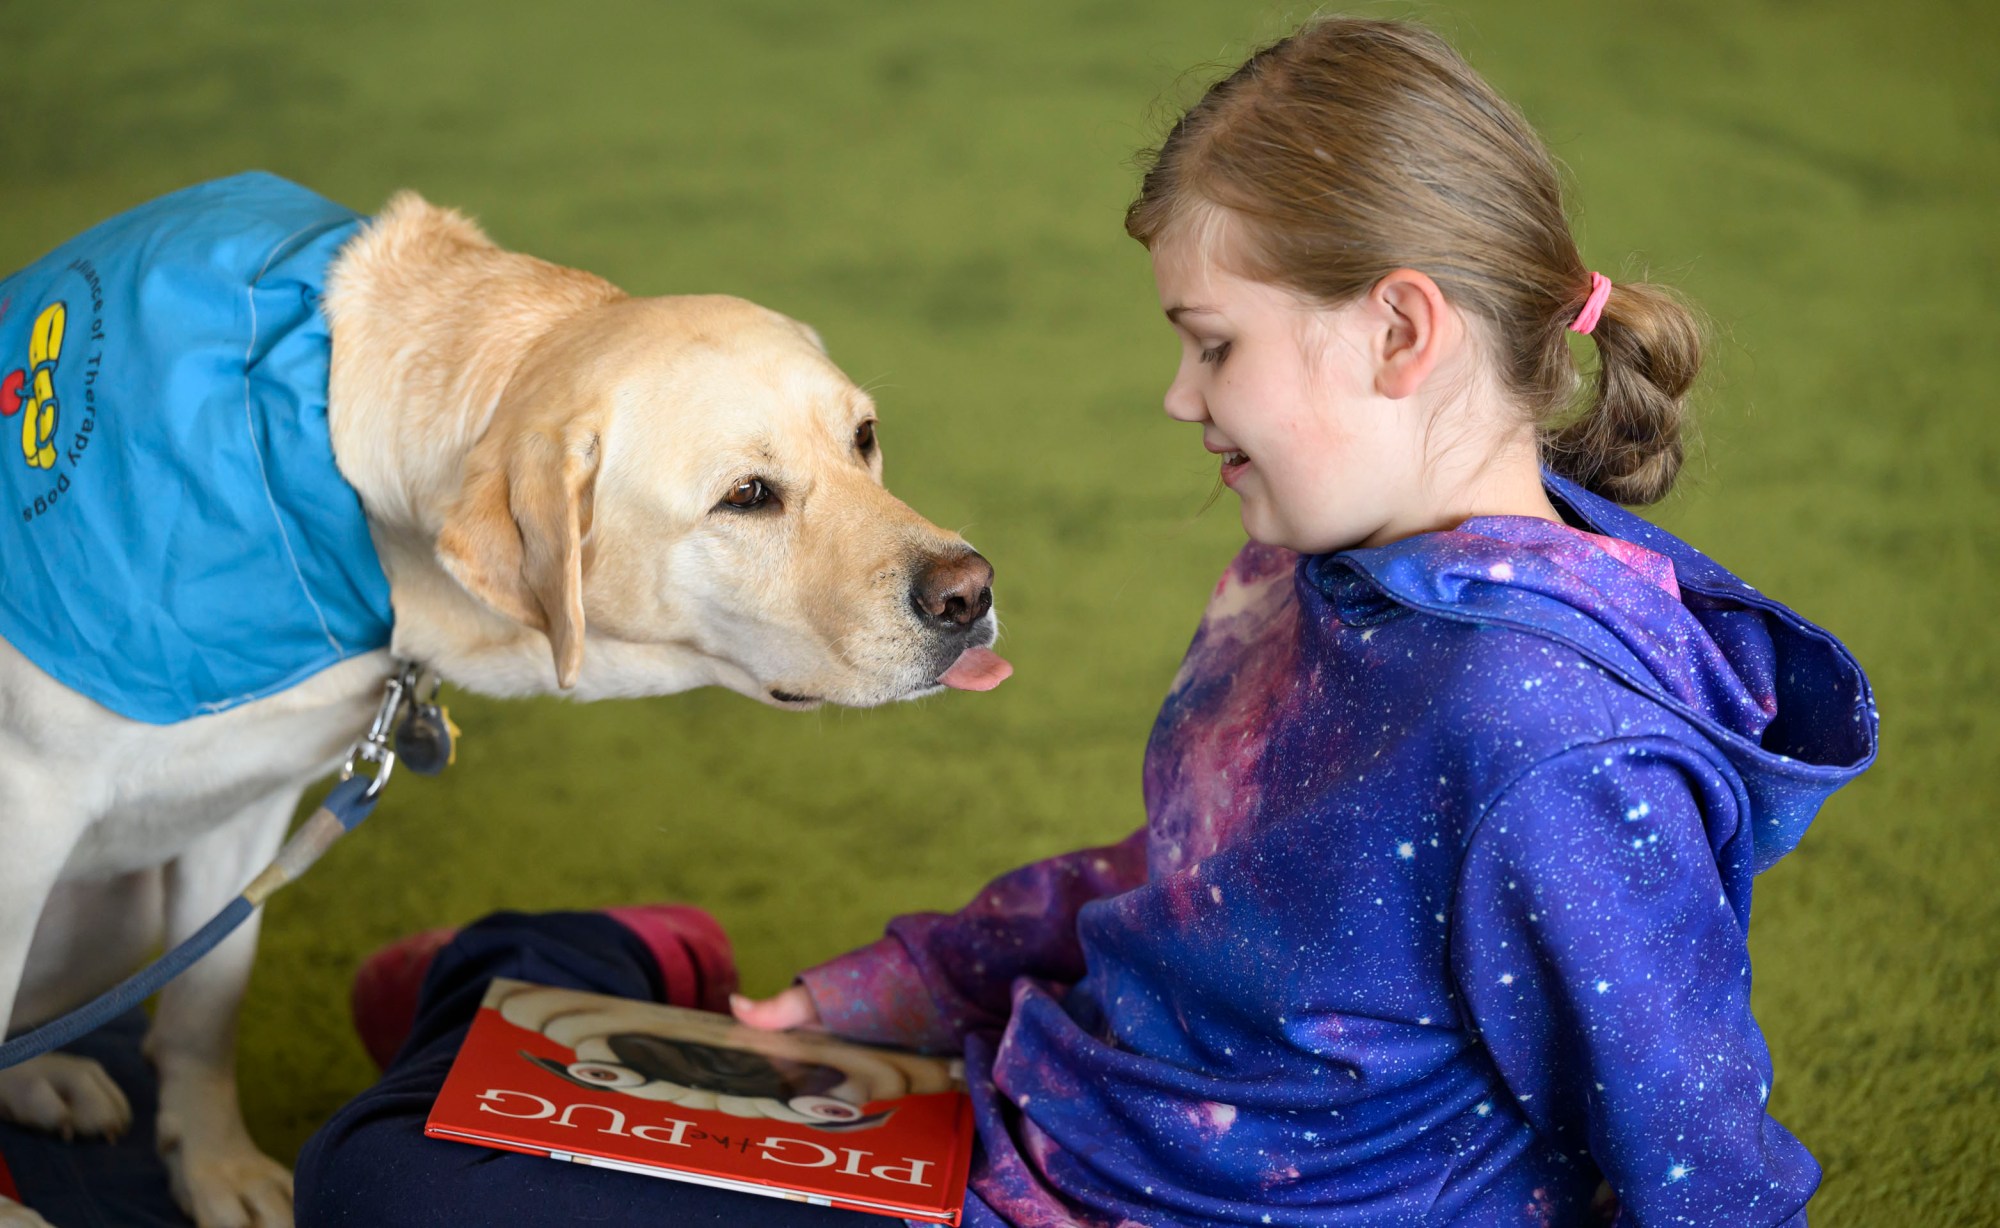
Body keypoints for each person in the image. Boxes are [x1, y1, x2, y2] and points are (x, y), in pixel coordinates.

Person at [291, 15, 1876, 1228]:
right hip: (1029, 1122)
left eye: (1214, 345)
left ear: (1399, 331)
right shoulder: (1323, 573)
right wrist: (869, 995)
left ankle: (556, 971)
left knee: (378, 1183)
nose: (1178, 396)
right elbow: (1175, 887)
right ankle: (598, 966)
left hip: (1090, 1190)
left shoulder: (1551, 742)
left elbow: (1699, 1145)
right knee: (450, 1128)